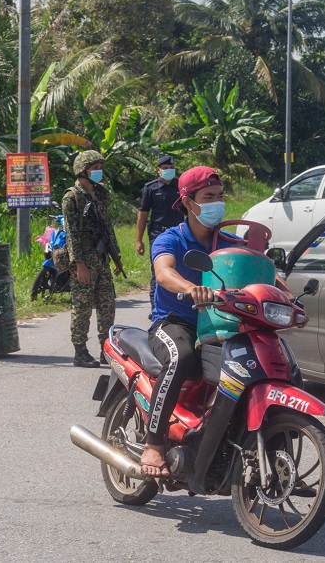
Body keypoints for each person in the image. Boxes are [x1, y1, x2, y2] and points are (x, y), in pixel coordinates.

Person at [139, 166, 292, 477]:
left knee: (282, 365)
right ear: (187, 201)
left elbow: (263, 272)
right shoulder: (172, 238)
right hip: (175, 322)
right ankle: (154, 443)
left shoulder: (229, 242)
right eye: (208, 197)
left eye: (220, 196)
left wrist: (287, 295)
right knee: (181, 359)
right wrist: (191, 288)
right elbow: (164, 272)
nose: (216, 203)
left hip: (222, 326)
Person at [62, 150, 124, 368]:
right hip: (84, 260)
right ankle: (80, 351)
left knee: (107, 305)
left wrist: (116, 257)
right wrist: (79, 264)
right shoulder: (72, 197)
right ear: (82, 170)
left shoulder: (99, 194)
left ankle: (106, 349)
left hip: (101, 257)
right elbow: (71, 234)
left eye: (100, 167)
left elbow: (108, 228)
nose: (99, 172)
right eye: (94, 168)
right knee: (82, 307)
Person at [135, 155, 186, 314]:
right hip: (158, 234)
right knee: (158, 271)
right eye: (165, 168)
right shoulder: (150, 188)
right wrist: (139, 240)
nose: (169, 171)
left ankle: (178, 308)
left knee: (181, 270)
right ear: (158, 170)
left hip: (179, 233)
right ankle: (156, 308)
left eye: (171, 168)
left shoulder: (181, 186)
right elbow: (142, 214)